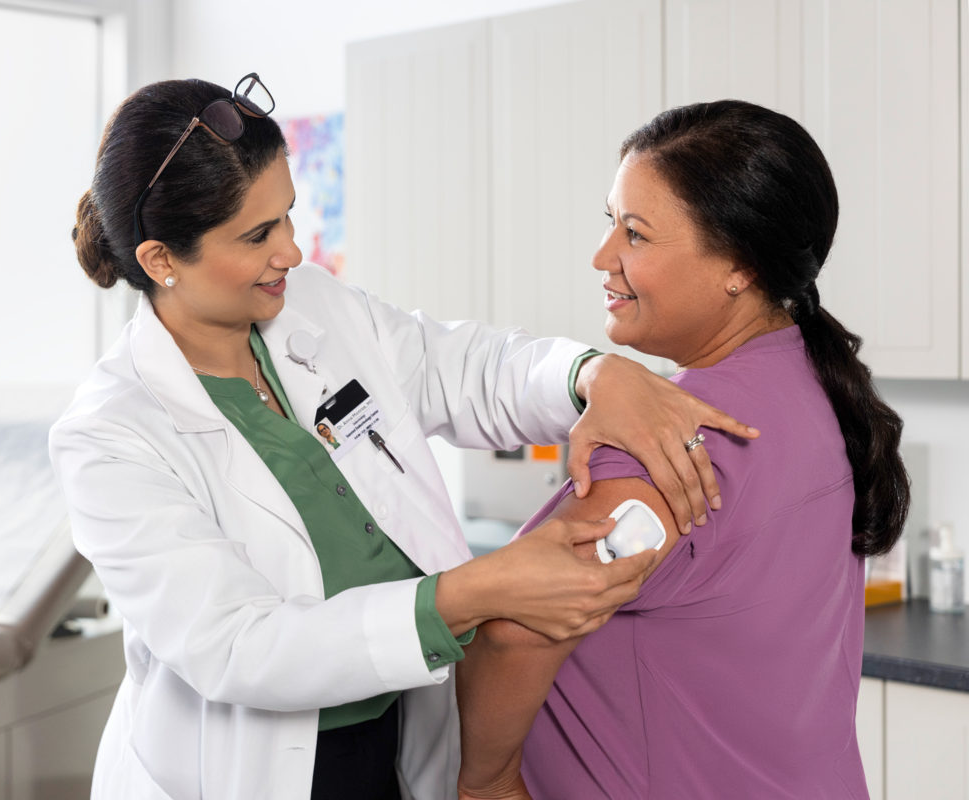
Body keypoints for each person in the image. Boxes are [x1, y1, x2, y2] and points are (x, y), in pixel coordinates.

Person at [50, 75, 759, 800]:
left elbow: (463, 368)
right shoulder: (109, 435)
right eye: (258, 235)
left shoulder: (311, 307)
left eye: (289, 215)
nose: (292, 253)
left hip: (400, 733)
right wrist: (473, 592)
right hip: (255, 770)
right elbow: (240, 648)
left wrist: (591, 374)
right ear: (161, 261)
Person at [455, 100, 911, 800]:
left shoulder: (670, 444)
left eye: (635, 234)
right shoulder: (814, 382)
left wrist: (484, 782)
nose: (603, 257)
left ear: (739, 265)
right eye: (610, 221)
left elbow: (518, 627)